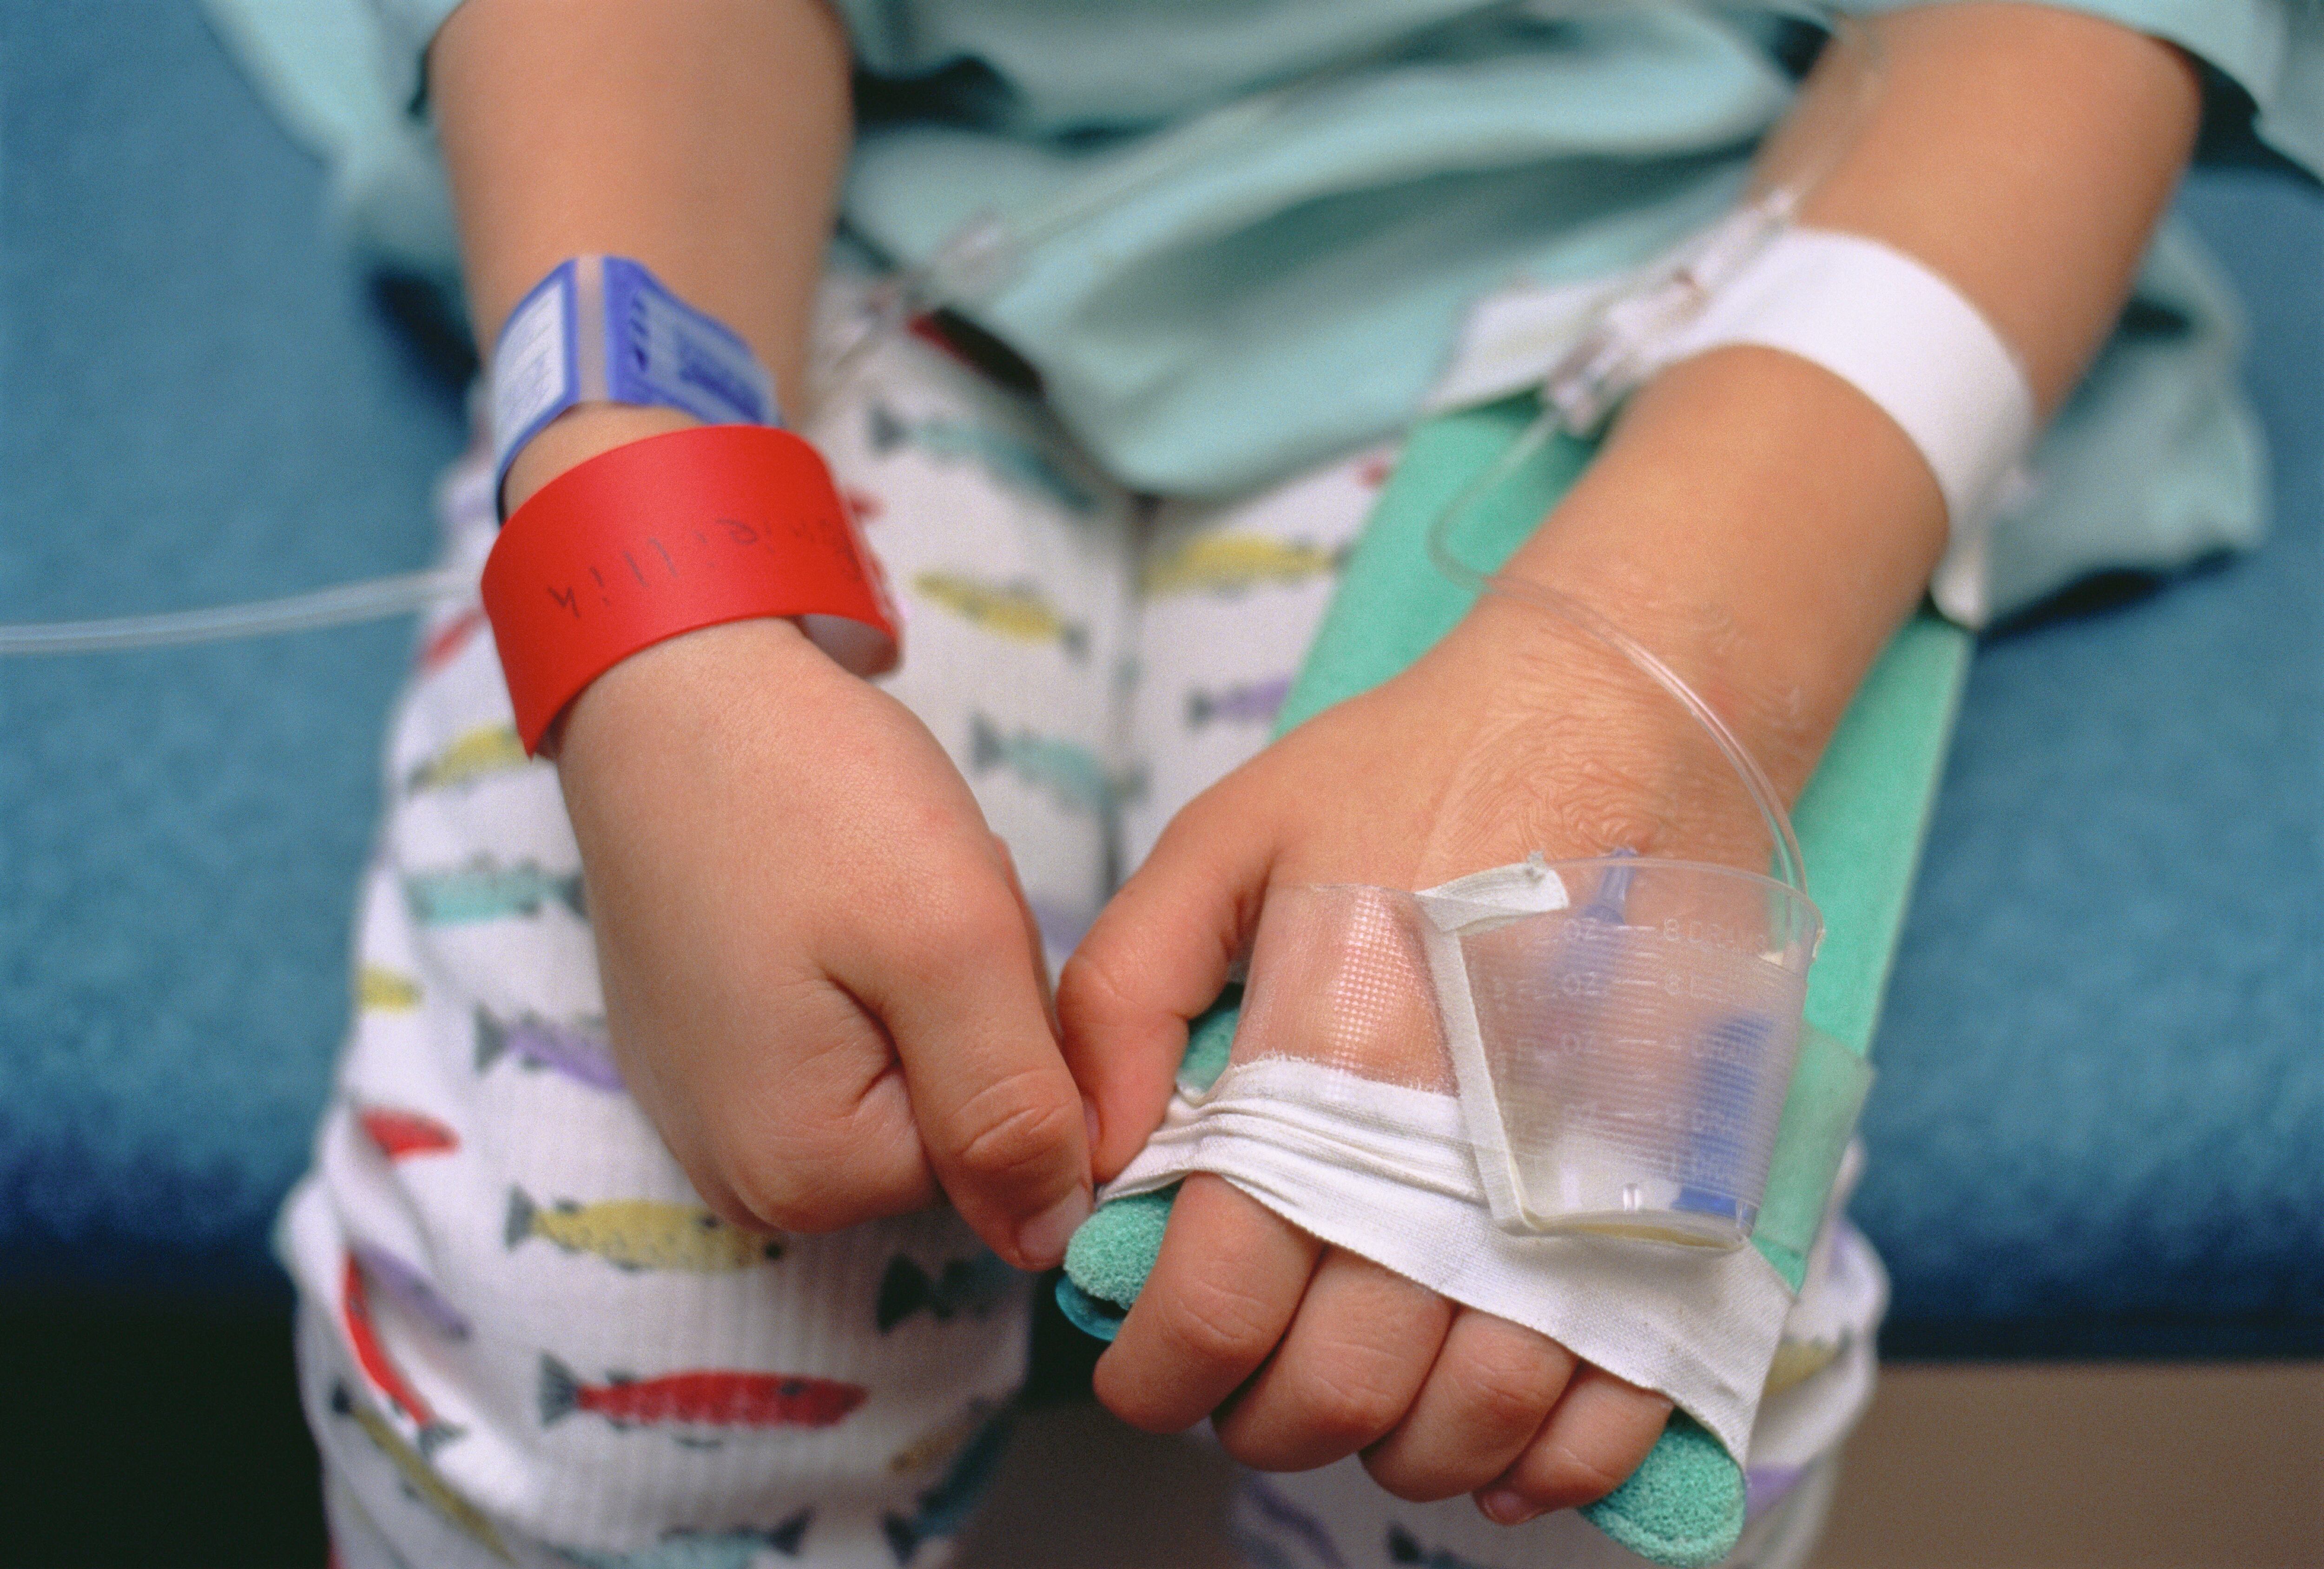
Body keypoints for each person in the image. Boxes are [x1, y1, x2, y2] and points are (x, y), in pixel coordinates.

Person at [231, 0, 2298, 1563]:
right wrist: (650, 584)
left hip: (1705, 253)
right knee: (595, 1357)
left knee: (1559, 1402)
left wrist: (1641, 673)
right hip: (818, 202)